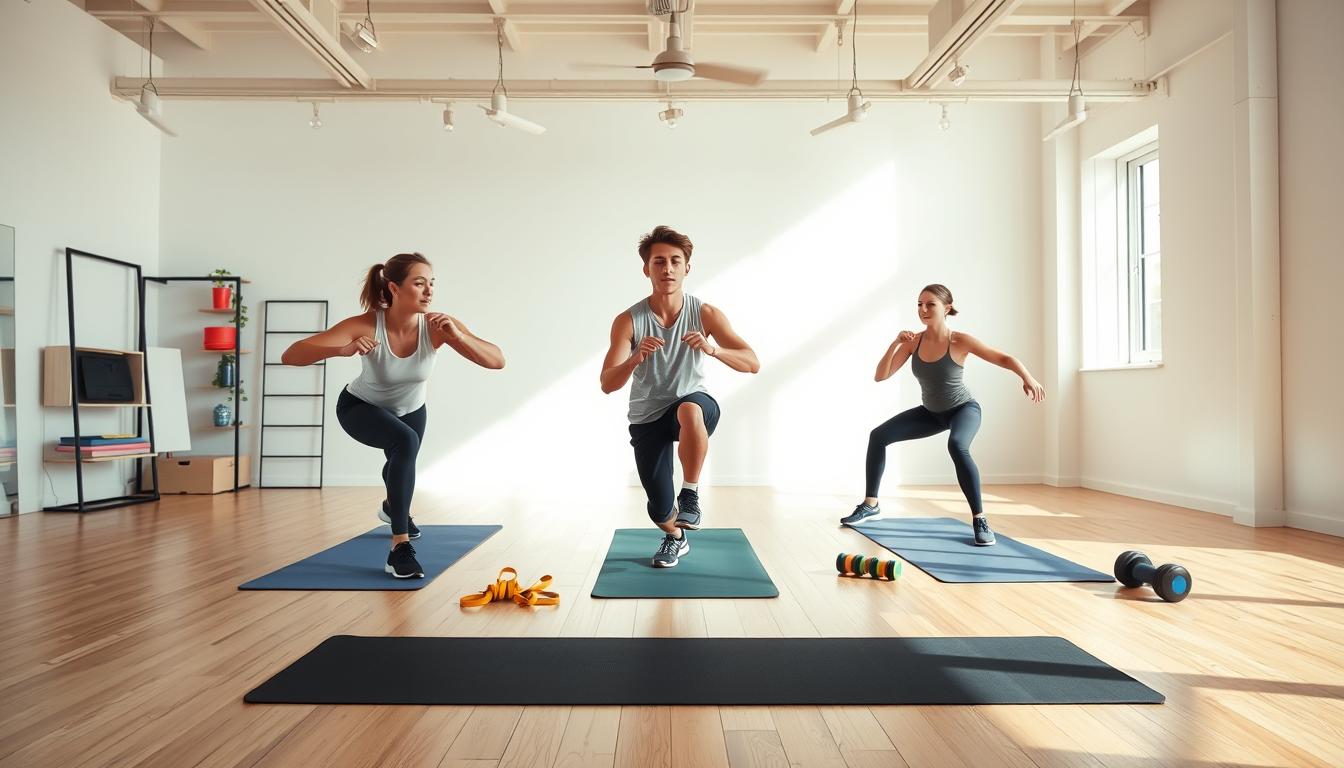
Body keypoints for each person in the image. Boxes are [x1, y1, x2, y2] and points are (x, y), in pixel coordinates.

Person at [282, 253, 505, 578]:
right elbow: (291, 355)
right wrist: (340, 350)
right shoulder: (365, 324)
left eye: (432, 283)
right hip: (360, 407)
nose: (429, 291)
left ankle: (392, 508)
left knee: (402, 457)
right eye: (419, 283)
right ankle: (399, 547)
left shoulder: (437, 326)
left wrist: (458, 337)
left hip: (412, 410)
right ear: (394, 288)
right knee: (405, 442)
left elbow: (497, 361)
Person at [600, 226, 759, 568]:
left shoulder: (705, 314)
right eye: (659, 262)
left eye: (675, 261)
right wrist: (634, 358)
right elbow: (607, 383)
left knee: (689, 408)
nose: (667, 268)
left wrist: (713, 349)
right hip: (647, 416)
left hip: (695, 405)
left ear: (687, 267)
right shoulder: (628, 321)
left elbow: (752, 363)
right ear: (647, 269)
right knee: (658, 508)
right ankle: (675, 536)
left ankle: (691, 492)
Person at [841, 283, 1045, 546]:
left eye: (930, 304)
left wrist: (1027, 378)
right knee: (878, 435)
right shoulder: (912, 342)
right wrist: (895, 343)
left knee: (957, 445)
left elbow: (1003, 358)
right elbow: (881, 376)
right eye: (919, 304)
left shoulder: (959, 340)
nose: (923, 310)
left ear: (947, 308)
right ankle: (871, 504)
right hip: (931, 413)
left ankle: (980, 519)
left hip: (963, 409)